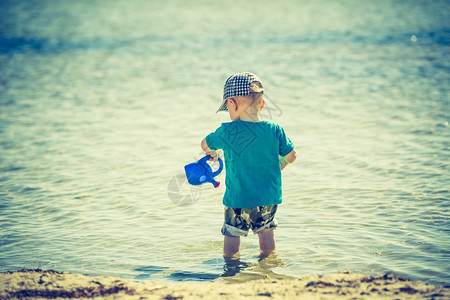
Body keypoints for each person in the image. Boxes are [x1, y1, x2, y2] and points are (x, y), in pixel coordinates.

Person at [201, 72, 297, 257]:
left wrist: (211, 152)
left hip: (238, 197)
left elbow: (205, 143)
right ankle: (268, 264)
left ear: (232, 103)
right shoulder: (275, 129)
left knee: (232, 234)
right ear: (261, 104)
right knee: (266, 232)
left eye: (227, 108)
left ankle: (230, 267)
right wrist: (281, 163)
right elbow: (292, 155)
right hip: (268, 197)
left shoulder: (228, 131)